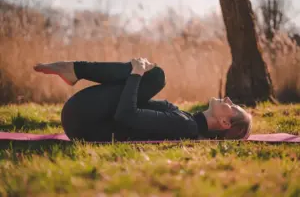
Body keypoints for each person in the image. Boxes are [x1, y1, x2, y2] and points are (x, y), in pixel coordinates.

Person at [34, 58, 252, 142]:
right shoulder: (187, 121)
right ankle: (74, 69)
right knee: (155, 76)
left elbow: (126, 115)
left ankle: (75, 69)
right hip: (83, 117)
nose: (229, 100)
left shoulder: (185, 125)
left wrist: (136, 74)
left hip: (83, 120)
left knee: (155, 76)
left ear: (224, 123)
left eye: (233, 108)